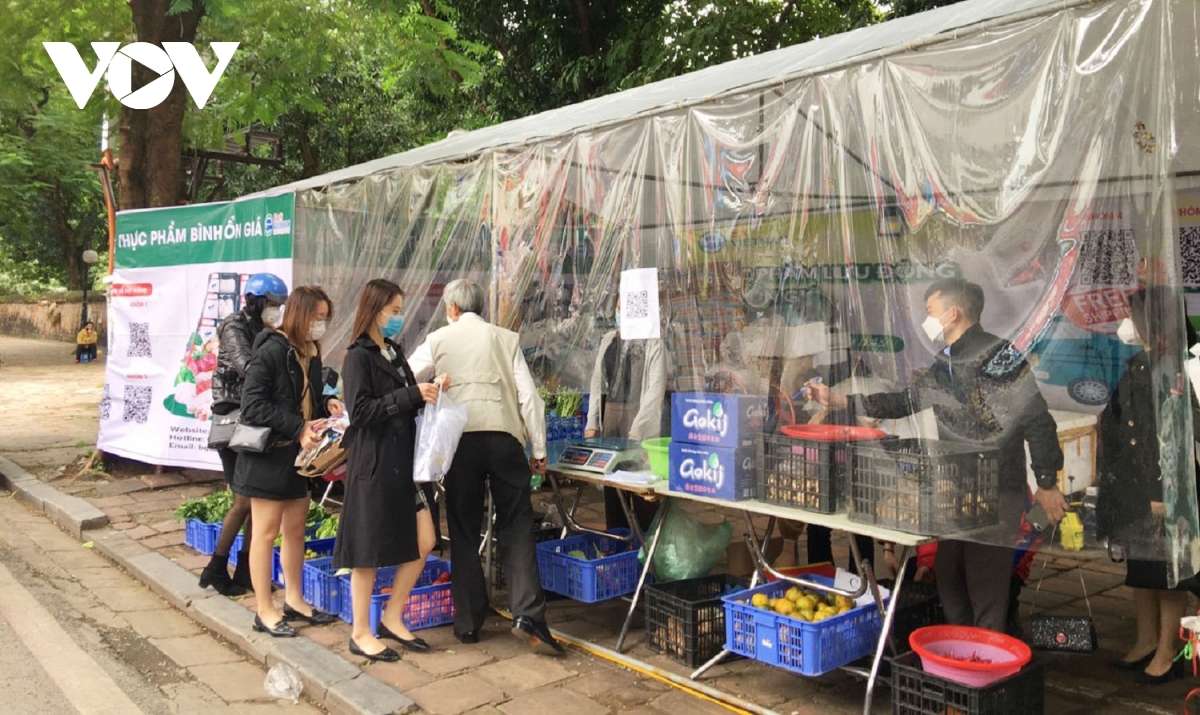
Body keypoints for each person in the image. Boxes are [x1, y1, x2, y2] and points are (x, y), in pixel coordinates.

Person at [808, 278, 1065, 633]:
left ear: (953, 313)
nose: (926, 319)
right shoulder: (945, 362)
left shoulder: (999, 356)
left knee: (985, 583)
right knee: (949, 577)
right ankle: (959, 649)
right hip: (955, 488)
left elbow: (1036, 418)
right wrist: (841, 400)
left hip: (995, 488)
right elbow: (907, 400)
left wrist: (1047, 481)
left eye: (930, 311)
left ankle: (985, 656)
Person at [408, 278, 564, 655]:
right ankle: (528, 615)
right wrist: (538, 449)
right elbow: (529, 398)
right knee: (517, 524)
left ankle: (468, 622)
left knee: (463, 528)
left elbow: (407, 377)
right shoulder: (504, 338)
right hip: (505, 438)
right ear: (481, 307)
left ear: (451, 308)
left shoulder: (438, 340)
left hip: (460, 443)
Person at [333, 279, 447, 661]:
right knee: (366, 551)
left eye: (400, 310)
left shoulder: (393, 350)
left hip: (405, 462)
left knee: (425, 539)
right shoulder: (358, 356)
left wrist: (429, 390)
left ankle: (392, 616)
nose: (399, 317)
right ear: (375, 309)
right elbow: (360, 411)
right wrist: (411, 394)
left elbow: (404, 399)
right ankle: (360, 632)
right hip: (375, 463)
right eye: (394, 311)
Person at [1097, 287, 1200, 683]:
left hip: (1164, 489)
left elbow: (1181, 434)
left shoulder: (1180, 368)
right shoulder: (1140, 363)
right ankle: (1145, 640)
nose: (1127, 323)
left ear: (1154, 324)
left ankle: (1167, 652)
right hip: (1135, 487)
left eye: (1133, 317)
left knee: (1168, 572)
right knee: (1141, 567)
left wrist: (1164, 492)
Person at [235, 285, 344, 637]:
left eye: (325, 318)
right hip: (269, 456)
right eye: (317, 317)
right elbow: (253, 405)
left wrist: (327, 402)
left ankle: (294, 599)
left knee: (295, 530)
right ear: (299, 314)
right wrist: (298, 427)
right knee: (265, 533)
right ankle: (264, 609)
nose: (320, 324)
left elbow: (305, 396)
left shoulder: (310, 351)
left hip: (299, 458)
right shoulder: (272, 350)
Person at [201, 273, 288, 596]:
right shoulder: (234, 326)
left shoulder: (266, 329)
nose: (276, 310)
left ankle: (246, 570)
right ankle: (216, 567)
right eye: (272, 303)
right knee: (244, 499)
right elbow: (249, 368)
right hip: (233, 415)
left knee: (257, 499)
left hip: (253, 416)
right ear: (255, 300)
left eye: (280, 305)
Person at [583, 295, 667, 532]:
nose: (620, 311)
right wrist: (592, 423)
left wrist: (637, 430)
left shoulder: (653, 343)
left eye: (626, 307)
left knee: (643, 493)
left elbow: (655, 391)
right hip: (611, 419)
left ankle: (645, 548)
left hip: (640, 421)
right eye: (619, 306)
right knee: (613, 489)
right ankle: (617, 545)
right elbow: (597, 383)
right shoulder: (609, 340)